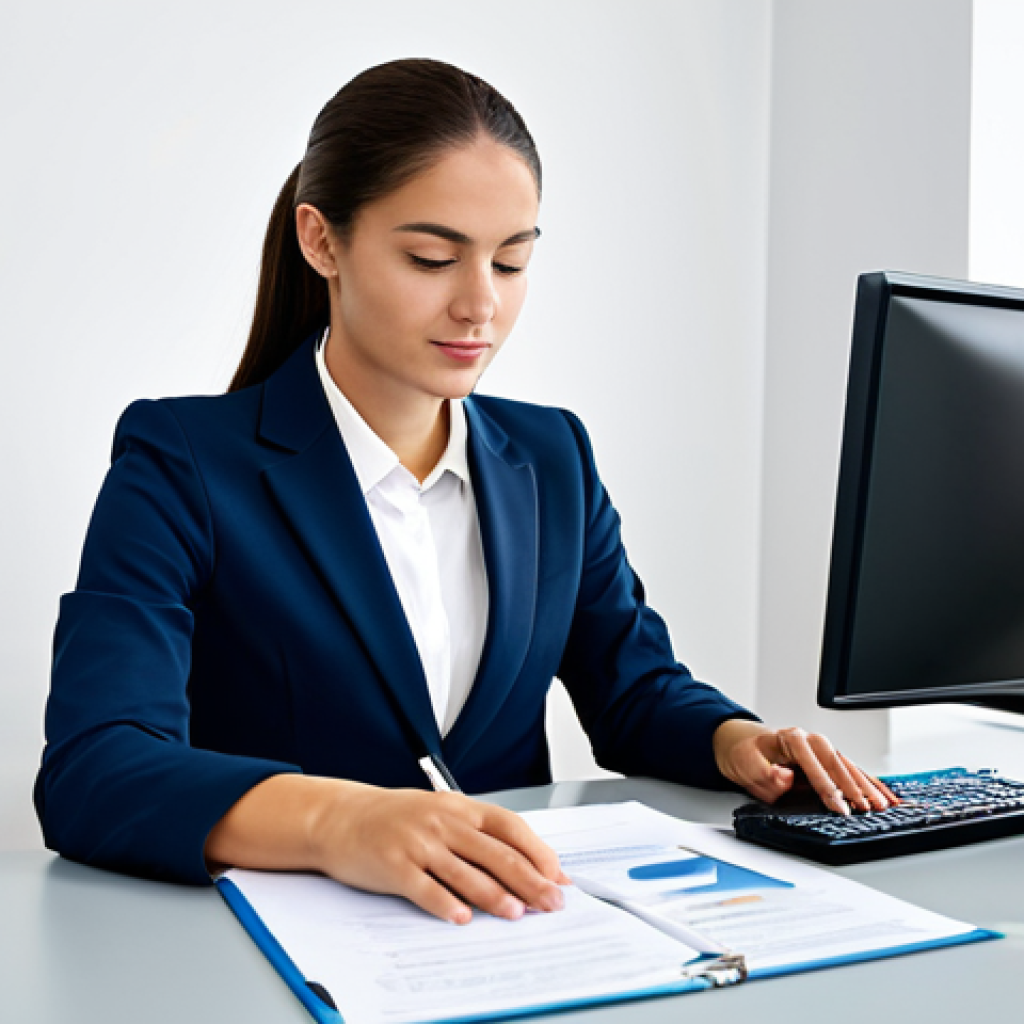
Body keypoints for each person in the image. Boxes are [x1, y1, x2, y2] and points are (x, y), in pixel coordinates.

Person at [35, 58, 893, 926]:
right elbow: (96, 767)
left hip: (516, 939)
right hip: (276, 947)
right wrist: (342, 819)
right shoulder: (181, 460)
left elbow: (631, 689)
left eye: (512, 263)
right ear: (321, 240)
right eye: (433, 257)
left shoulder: (551, 455)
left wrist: (737, 742)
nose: (480, 305)